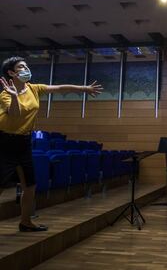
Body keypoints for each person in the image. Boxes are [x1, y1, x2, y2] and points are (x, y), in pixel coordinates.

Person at [0, 56, 103, 232]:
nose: (26, 69)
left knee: (30, 186)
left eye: (26, 66)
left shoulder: (34, 88)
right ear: (11, 72)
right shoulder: (5, 95)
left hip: (24, 141)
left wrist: (84, 89)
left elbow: (60, 88)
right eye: (21, 67)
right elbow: (15, 114)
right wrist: (15, 96)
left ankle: (26, 222)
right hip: (6, 142)